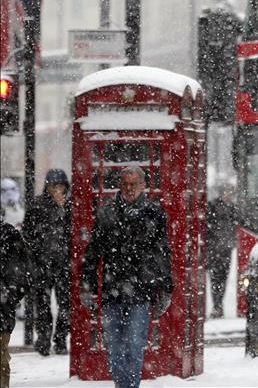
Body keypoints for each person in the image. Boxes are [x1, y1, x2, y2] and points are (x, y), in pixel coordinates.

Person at [80, 166, 171, 388]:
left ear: (143, 186)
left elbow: (162, 252)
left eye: (134, 184)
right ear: (120, 186)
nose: (129, 189)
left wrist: (166, 288)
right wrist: (87, 286)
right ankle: (123, 385)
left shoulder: (154, 212)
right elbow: (93, 252)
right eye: (125, 184)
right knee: (114, 348)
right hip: (113, 289)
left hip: (141, 290)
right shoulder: (107, 212)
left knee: (134, 345)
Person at [22, 168, 72, 356]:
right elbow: (27, 233)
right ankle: (43, 338)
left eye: (60, 186)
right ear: (47, 187)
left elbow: (77, 233)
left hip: (64, 263)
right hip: (41, 263)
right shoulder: (37, 205)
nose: (57, 190)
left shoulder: (71, 205)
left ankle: (60, 339)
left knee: (65, 304)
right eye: (53, 186)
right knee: (42, 303)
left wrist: (61, 208)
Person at [1, 207, 31, 388]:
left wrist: (9, 298)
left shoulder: (9, 235)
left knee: (1, 359)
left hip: (1, 311)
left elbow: (24, 274)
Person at [204, 185, 236, 319]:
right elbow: (208, 226)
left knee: (222, 279)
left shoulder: (232, 208)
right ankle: (216, 305)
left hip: (224, 249)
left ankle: (218, 306)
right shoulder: (213, 206)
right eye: (227, 192)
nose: (229, 195)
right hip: (215, 249)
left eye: (230, 192)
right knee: (215, 279)